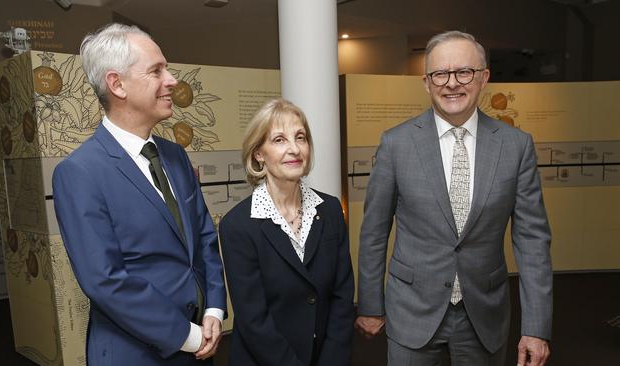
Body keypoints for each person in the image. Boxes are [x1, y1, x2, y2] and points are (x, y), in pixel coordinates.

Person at [355, 31, 552, 366]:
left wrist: (536, 327)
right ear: (426, 82)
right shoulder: (396, 144)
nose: (451, 84)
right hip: (412, 309)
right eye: (440, 74)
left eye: (464, 72)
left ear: (484, 77)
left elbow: (532, 240)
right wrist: (371, 304)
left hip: (483, 314)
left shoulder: (516, 146)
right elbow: (374, 230)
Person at [52, 23, 226, 366]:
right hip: (134, 353)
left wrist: (215, 310)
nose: (172, 80)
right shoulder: (79, 173)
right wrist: (187, 336)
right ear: (117, 84)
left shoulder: (175, 155)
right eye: (156, 70)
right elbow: (105, 280)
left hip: (198, 343)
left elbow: (204, 238)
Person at [219, 98, 354, 366]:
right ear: (259, 153)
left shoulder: (329, 210)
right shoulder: (238, 225)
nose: (294, 149)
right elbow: (253, 318)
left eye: (300, 137)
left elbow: (342, 294)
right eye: (279, 140)